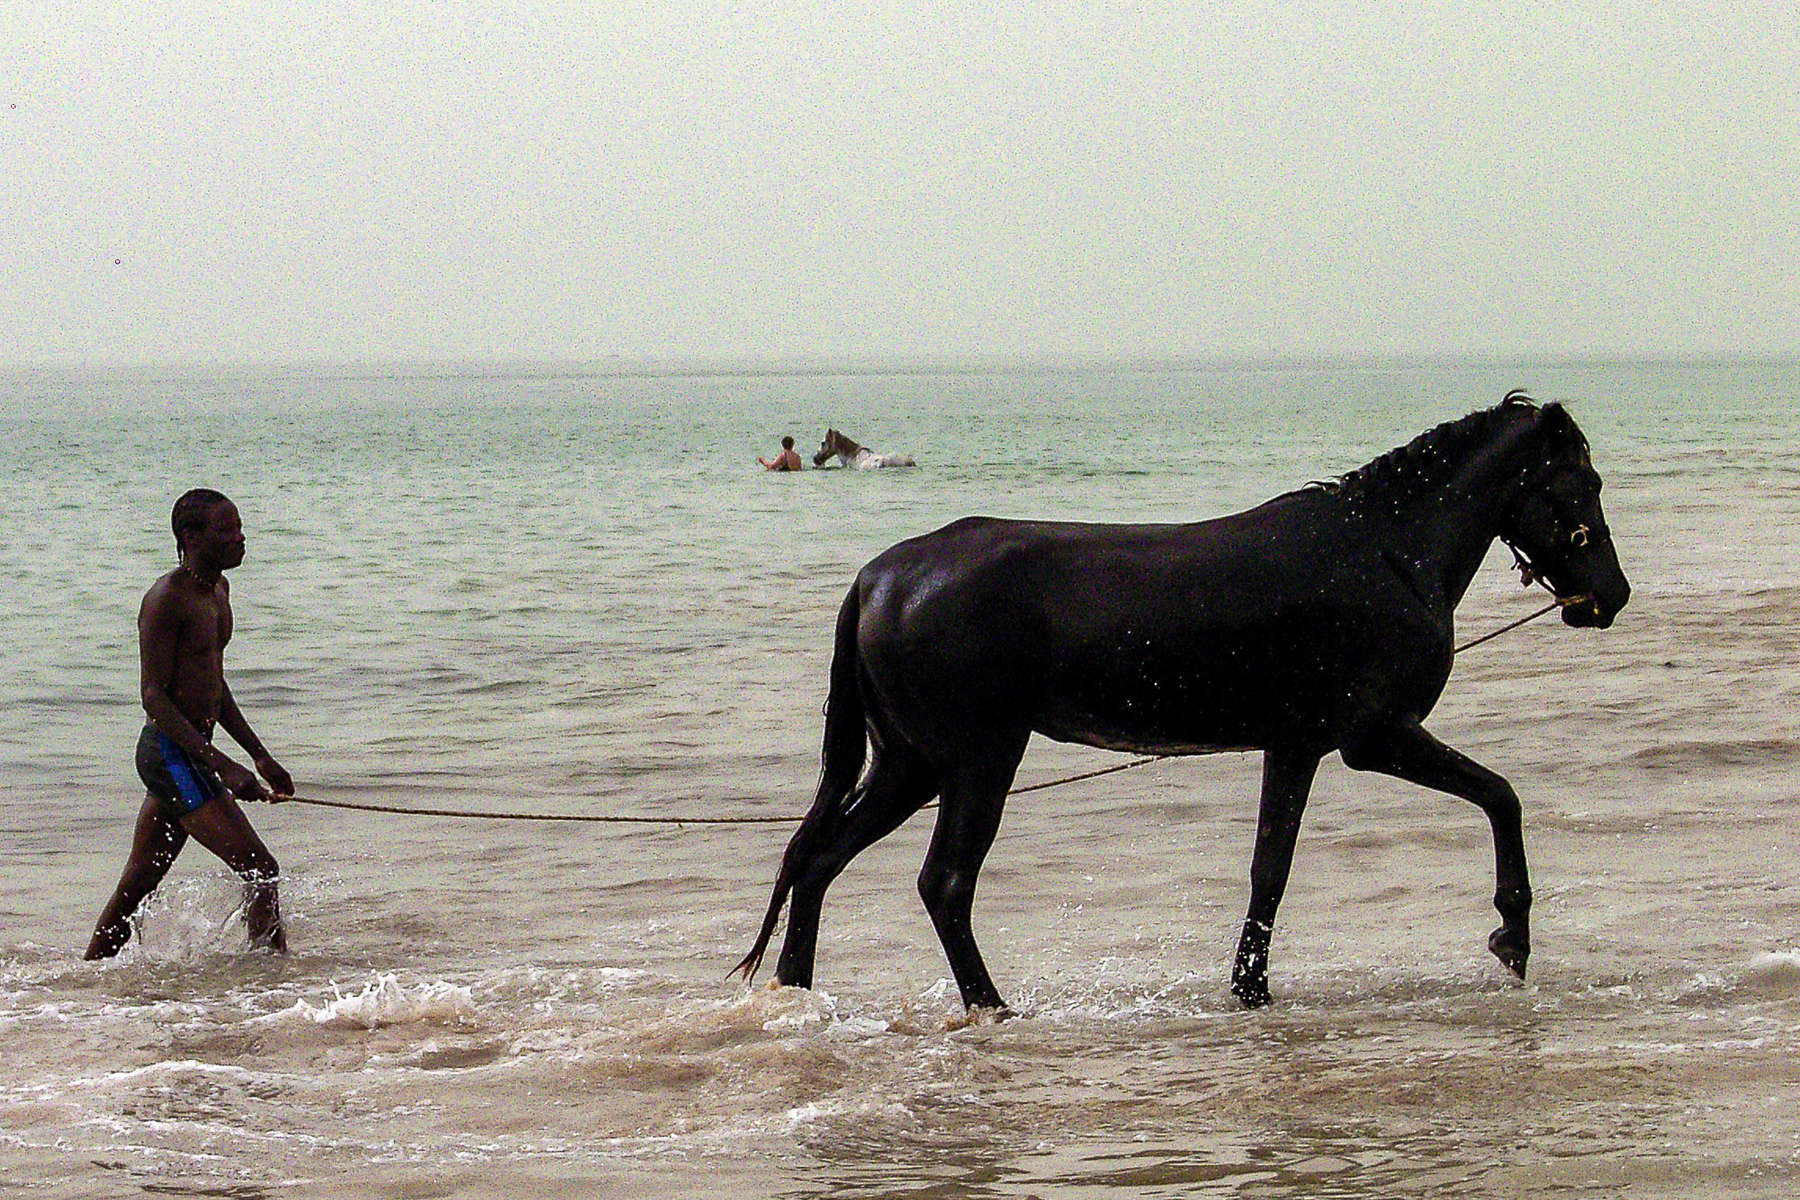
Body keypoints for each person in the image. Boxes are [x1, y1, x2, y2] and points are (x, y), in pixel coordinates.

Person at [86, 489, 295, 959]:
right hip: (169, 754)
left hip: (193, 753)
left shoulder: (219, 591)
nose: (241, 538)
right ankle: (269, 988)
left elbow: (213, 687)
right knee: (262, 870)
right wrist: (223, 767)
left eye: (240, 527)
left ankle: (80, 986)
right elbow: (153, 698)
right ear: (191, 536)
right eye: (228, 530)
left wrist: (258, 755)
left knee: (138, 883)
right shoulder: (166, 599)